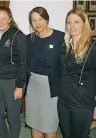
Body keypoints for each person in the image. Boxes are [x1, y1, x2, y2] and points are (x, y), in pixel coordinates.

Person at [58, 9, 96, 138]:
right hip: (64, 102)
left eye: (76, 22)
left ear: (84, 24)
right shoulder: (64, 46)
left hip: (82, 104)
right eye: (69, 22)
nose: (72, 26)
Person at [0, 6, 27, 138]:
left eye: (3, 18)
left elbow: (23, 63)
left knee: (13, 117)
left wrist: (20, 86)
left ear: (10, 19)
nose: (0, 21)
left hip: (13, 82)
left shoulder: (18, 36)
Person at [25, 7, 64, 138]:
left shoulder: (60, 37)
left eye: (40, 19)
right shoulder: (28, 39)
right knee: (35, 122)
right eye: (34, 20)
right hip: (33, 85)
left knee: (49, 123)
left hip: (51, 86)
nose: (37, 23)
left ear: (46, 20)